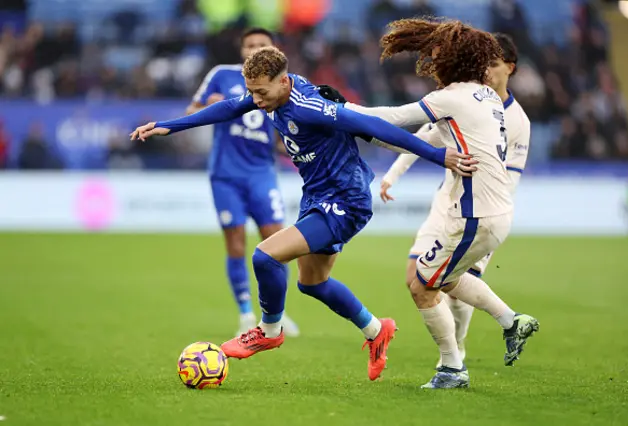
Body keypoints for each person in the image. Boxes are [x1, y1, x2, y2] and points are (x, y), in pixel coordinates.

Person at [130, 46, 476, 381]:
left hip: (345, 199)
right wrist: (168, 126)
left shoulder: (309, 107)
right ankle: (376, 330)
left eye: (261, 93)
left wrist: (437, 155)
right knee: (312, 283)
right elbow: (230, 108)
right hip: (318, 195)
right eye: (253, 92)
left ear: (282, 82)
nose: (257, 101)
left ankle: (269, 330)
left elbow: (372, 126)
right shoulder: (271, 91)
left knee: (265, 257)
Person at [344, 19, 539, 388]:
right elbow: (416, 138)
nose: (432, 62)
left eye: (437, 55)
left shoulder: (453, 97)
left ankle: (452, 368)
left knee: (422, 285)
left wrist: (342, 111)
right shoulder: (487, 98)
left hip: (474, 215)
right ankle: (511, 322)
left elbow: (394, 118)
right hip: (487, 213)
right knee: (441, 279)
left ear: (455, 59)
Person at [187, 28, 299, 338]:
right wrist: (210, 104)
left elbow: (283, 131)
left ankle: (276, 314)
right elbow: (192, 110)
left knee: (277, 244)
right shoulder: (222, 74)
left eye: (261, 45)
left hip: (263, 173)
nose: (254, 49)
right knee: (236, 244)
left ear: (272, 49)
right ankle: (246, 314)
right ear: (242, 49)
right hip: (226, 175)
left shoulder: (284, 82)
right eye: (249, 45)